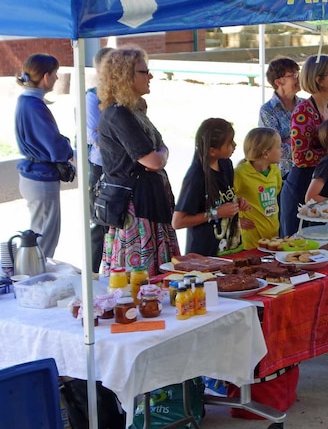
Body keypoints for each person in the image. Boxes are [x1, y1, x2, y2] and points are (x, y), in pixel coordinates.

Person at [98, 48, 180, 277]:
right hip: (136, 209)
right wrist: (161, 154)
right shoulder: (118, 115)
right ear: (125, 76)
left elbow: (158, 153)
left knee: (155, 277)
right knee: (138, 281)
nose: (150, 76)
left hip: (149, 203)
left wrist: (161, 154)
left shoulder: (134, 110)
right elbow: (154, 159)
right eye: (144, 71)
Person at [14, 53, 74, 260]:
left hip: (34, 174)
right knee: (44, 239)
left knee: (40, 235)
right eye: (56, 74)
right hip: (40, 176)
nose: (57, 79)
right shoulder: (33, 104)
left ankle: (32, 277)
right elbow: (54, 145)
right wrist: (69, 148)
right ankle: (33, 282)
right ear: (46, 76)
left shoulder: (27, 101)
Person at [282, 55, 328, 235]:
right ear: (319, 80)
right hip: (303, 186)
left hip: (323, 183)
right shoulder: (303, 111)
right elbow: (299, 157)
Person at [173, 118, 249, 257]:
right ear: (212, 151)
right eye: (229, 143)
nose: (235, 145)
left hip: (231, 249)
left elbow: (222, 198)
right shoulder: (196, 177)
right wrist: (216, 213)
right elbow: (177, 222)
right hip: (205, 256)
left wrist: (237, 202)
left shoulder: (226, 164)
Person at [259, 57, 302, 234]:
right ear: (279, 82)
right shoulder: (267, 110)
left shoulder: (305, 105)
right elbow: (270, 149)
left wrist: (287, 140)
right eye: (293, 75)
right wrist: (302, 143)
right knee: (287, 229)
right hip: (281, 179)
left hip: (307, 176)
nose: (298, 78)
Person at [85, 47, 113, 274]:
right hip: (100, 166)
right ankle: (93, 275)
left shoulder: (123, 96)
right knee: (99, 224)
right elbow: (95, 136)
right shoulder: (92, 96)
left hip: (121, 168)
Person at [234, 127, 283, 250]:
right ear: (265, 154)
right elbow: (226, 200)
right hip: (251, 238)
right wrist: (236, 221)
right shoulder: (240, 174)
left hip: (273, 235)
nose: (282, 150)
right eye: (278, 147)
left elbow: (276, 192)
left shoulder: (275, 171)